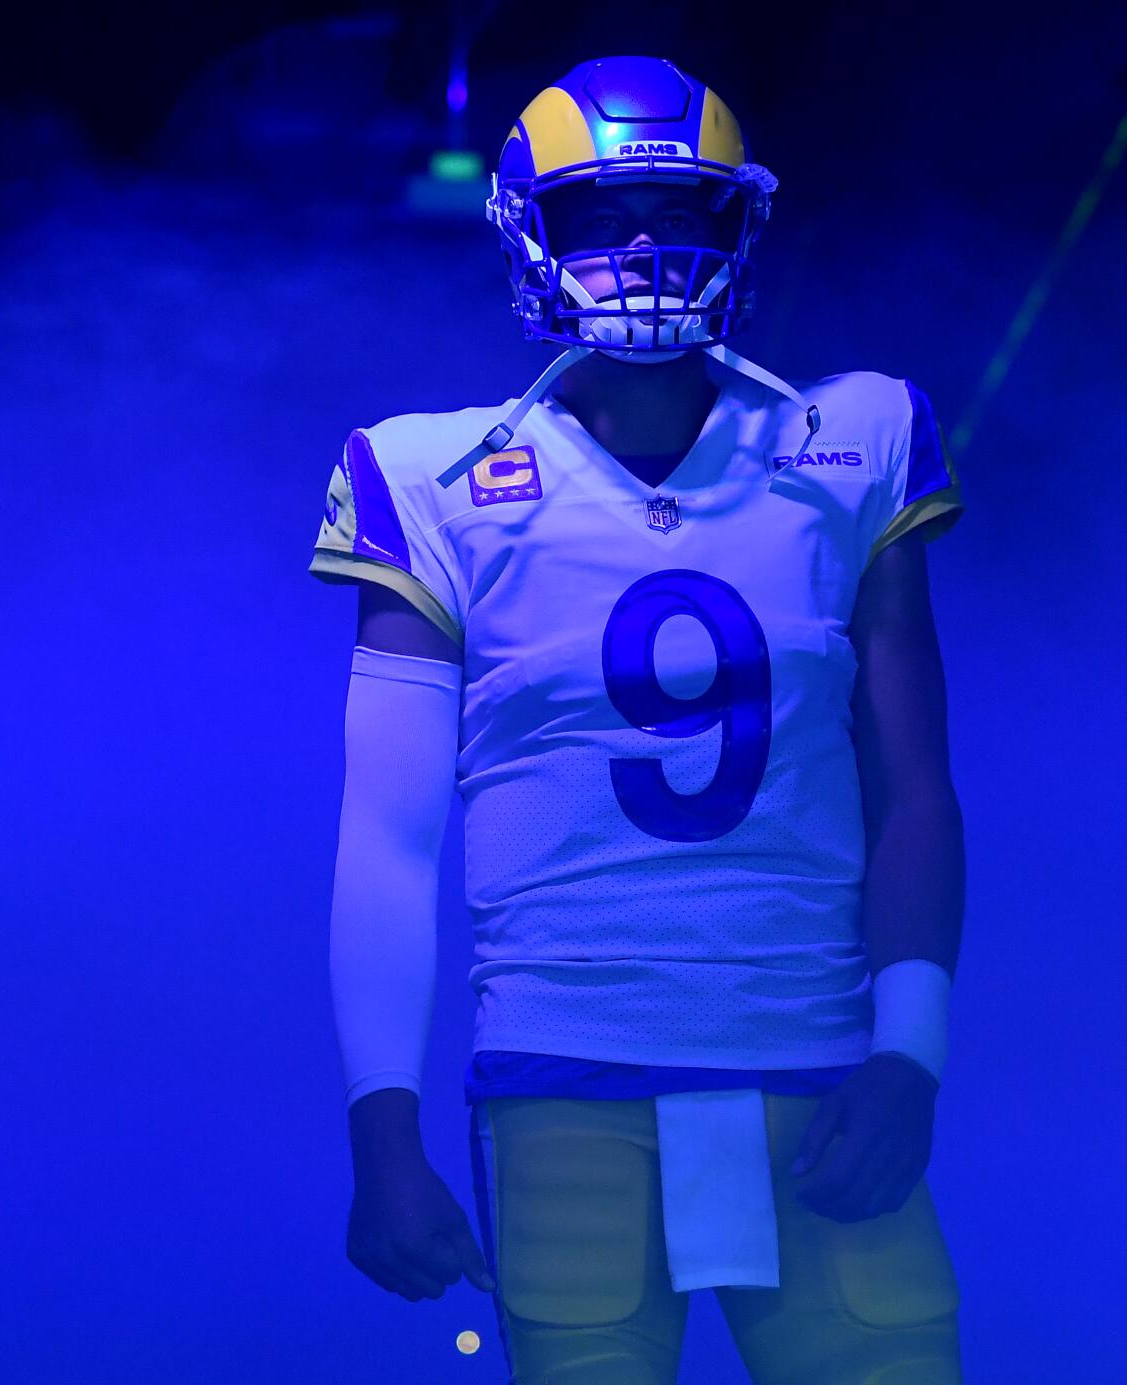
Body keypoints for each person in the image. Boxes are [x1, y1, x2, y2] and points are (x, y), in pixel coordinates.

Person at [311, 55, 967, 1383]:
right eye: (602, 215)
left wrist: (911, 1053)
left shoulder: (853, 437)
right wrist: (381, 1129)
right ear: (529, 232)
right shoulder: (427, 473)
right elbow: (388, 837)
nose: (647, 244)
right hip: (569, 1068)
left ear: (741, 221)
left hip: (818, 1069)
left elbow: (917, 787)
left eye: (679, 208)